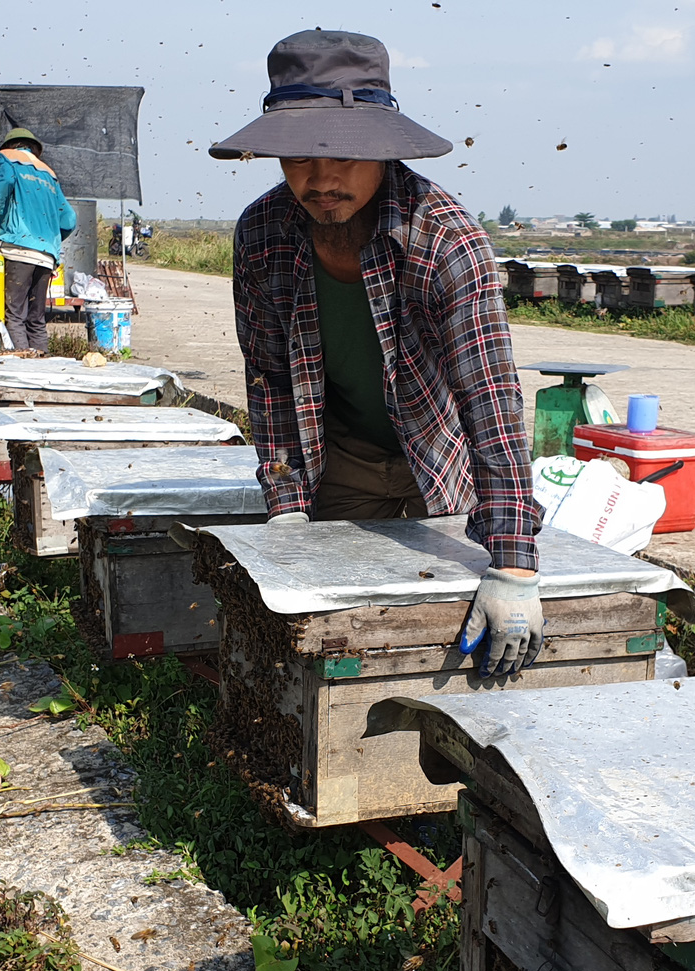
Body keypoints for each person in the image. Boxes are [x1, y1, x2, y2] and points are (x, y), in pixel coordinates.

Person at [211, 29, 543, 678]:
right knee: (337, 648)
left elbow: (491, 401)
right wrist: (285, 507)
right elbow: (272, 384)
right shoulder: (263, 235)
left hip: (436, 459)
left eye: (346, 156)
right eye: (300, 156)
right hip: (342, 461)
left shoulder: (444, 239)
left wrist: (512, 559)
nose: (323, 177)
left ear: (384, 152)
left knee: (442, 644)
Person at [0, 127, 77, 351]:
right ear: (34, 149)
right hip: (46, 256)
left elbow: (3, 187)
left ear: (11, 145)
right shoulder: (49, 173)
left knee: (14, 316)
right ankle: (44, 372)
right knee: (37, 319)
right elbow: (69, 219)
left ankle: (22, 370)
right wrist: (49, 240)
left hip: (18, 249)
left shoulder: (7, 158)